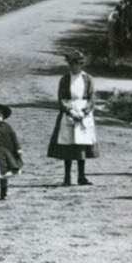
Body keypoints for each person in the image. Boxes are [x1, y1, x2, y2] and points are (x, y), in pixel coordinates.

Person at [46, 51, 98, 186]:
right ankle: (67, 177)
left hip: (83, 111)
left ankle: (81, 176)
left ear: (81, 64)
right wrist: (69, 111)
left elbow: (92, 98)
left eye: (77, 64)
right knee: (67, 144)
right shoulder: (65, 79)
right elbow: (61, 98)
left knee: (81, 144)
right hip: (69, 111)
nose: (74, 67)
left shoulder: (88, 78)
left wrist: (84, 112)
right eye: (72, 64)